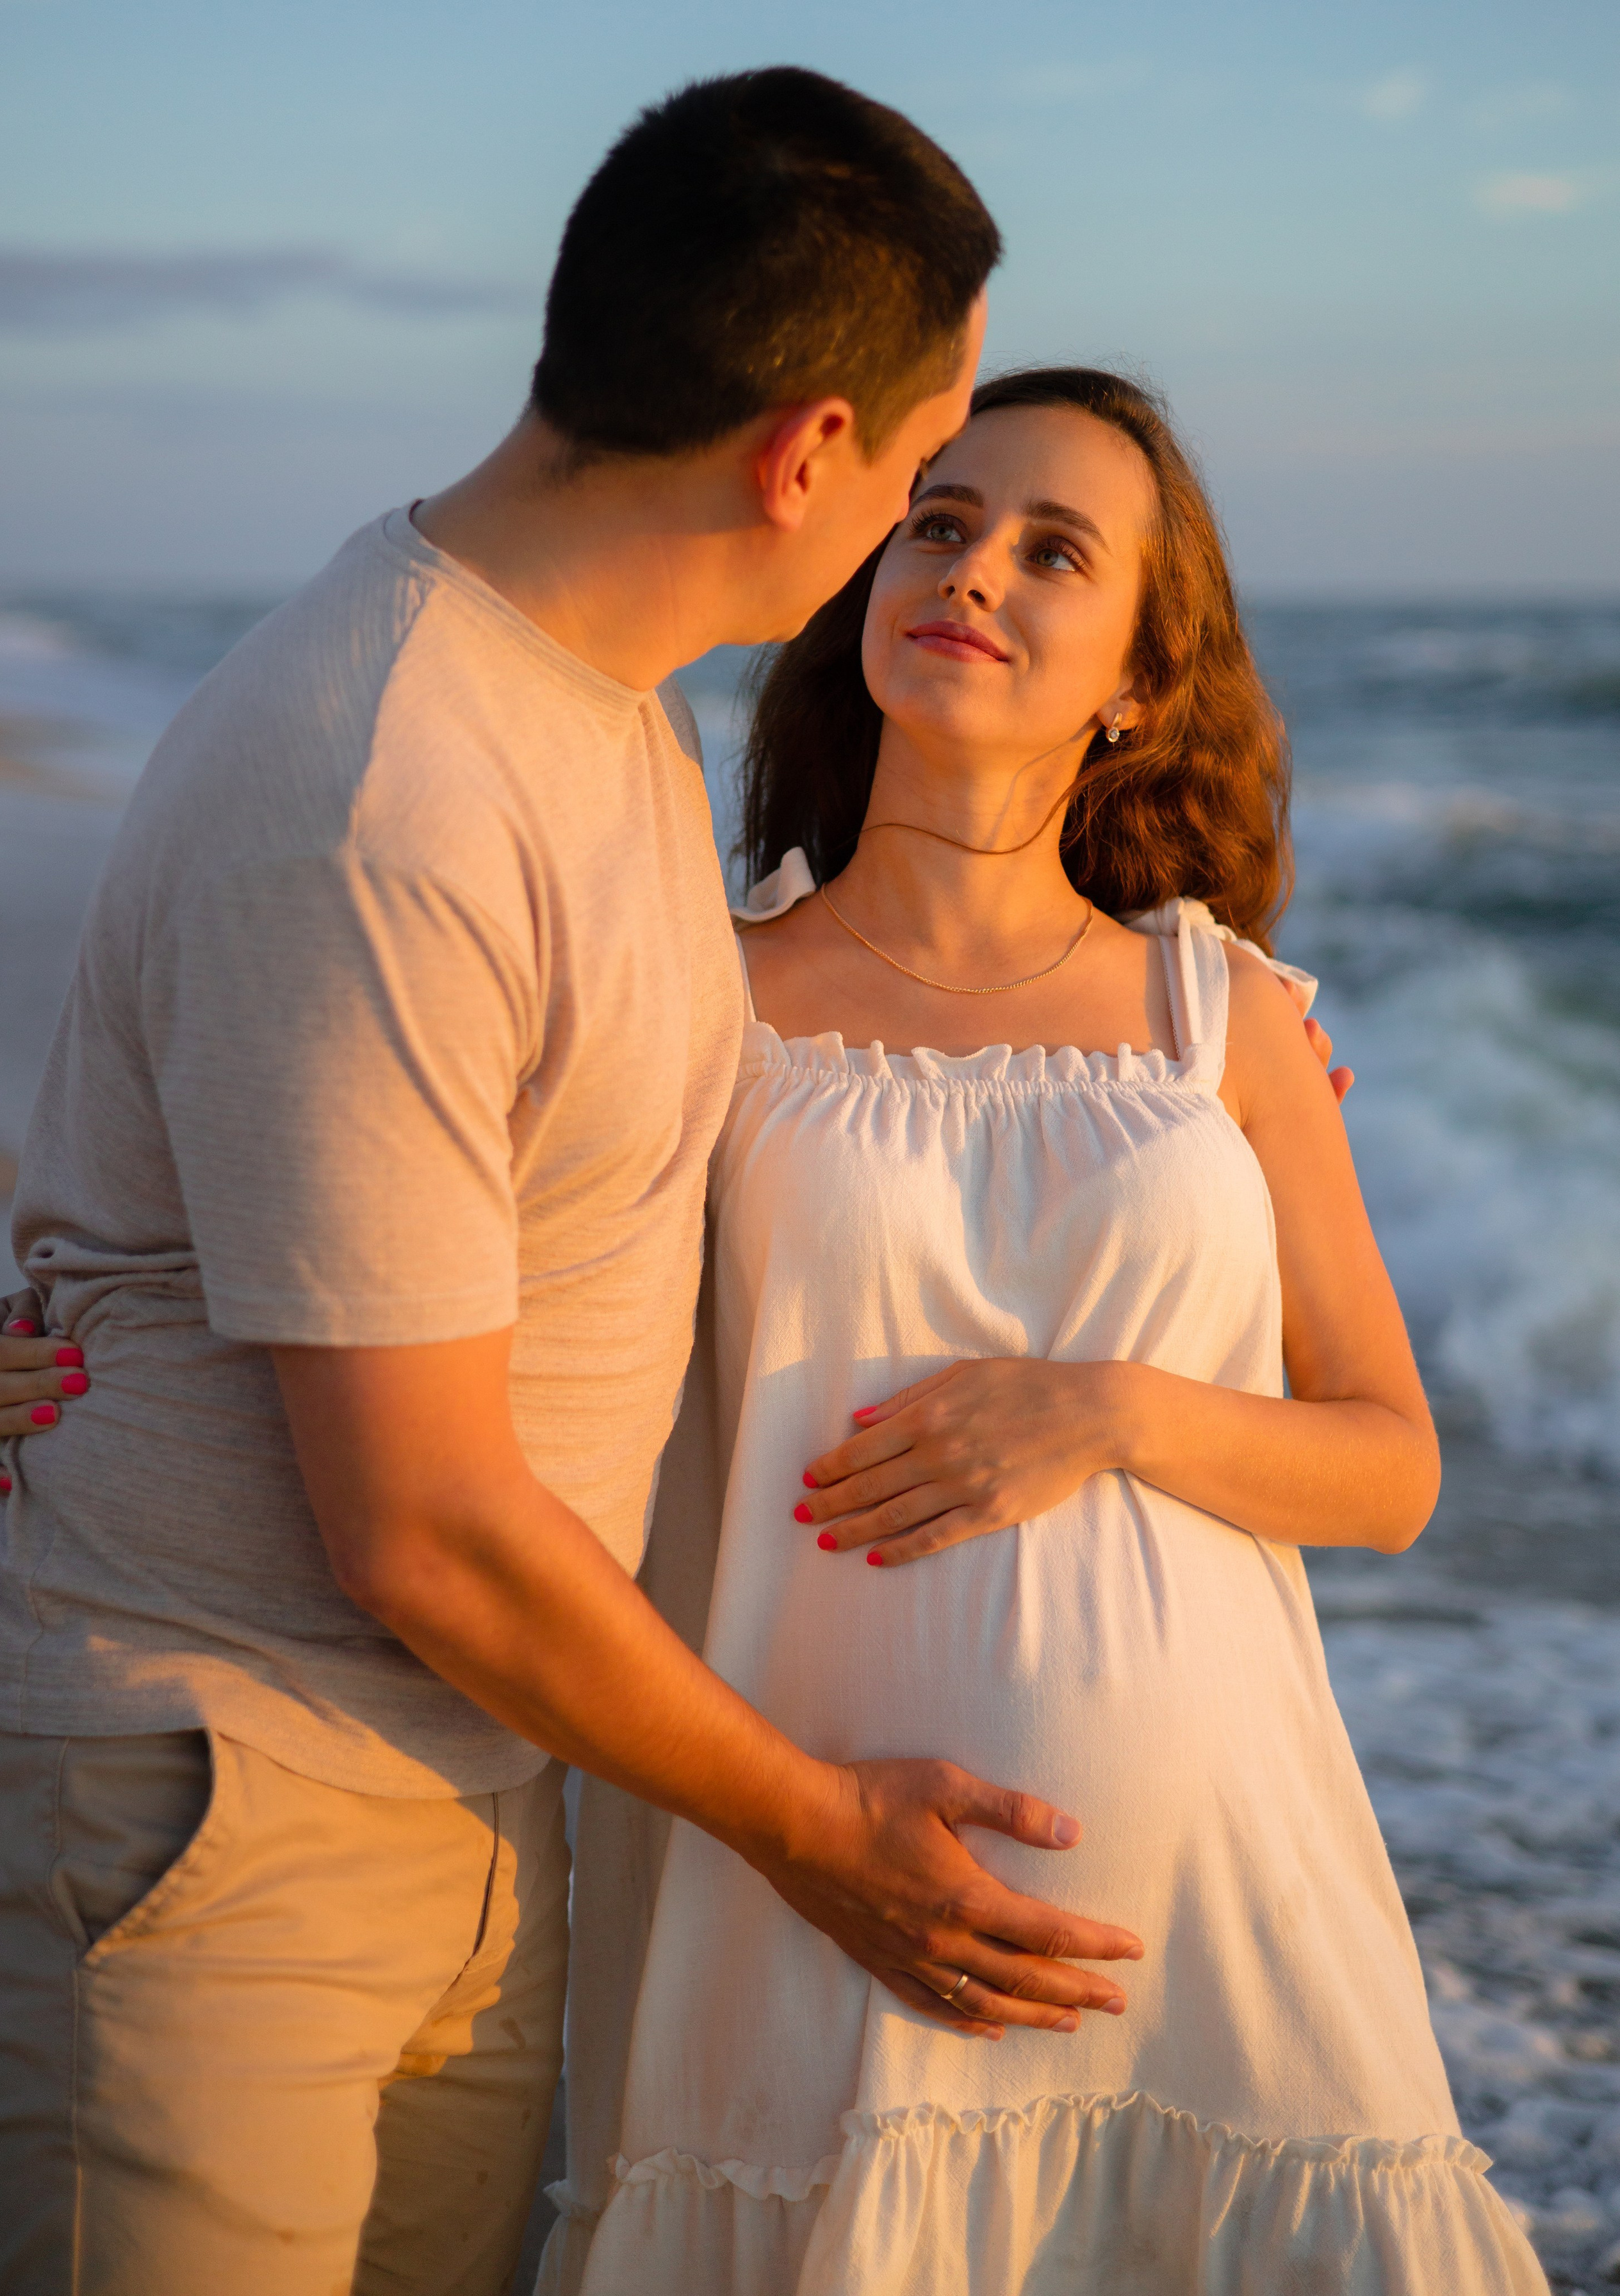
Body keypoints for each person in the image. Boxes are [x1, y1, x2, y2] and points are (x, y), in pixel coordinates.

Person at [0, 74, 1159, 2296]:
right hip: (218, 1804)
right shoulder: (381, 790)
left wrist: (1189, 1052)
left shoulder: (608, 710)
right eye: (928, 462)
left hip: (476, 1784)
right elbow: (413, 1519)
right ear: (809, 456)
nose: (931, 515)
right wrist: (827, 1838)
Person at [541, 368, 1548, 2293]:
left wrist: (1112, 1409)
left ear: (1139, 683)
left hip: (1227, 1937)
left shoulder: (1223, 1020)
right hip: (825, 1909)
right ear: (863, 578)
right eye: (940, 520)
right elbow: (460, 1322)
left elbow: (1393, 1462)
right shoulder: (704, 992)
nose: (974, 568)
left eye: (1052, 548)